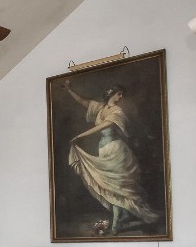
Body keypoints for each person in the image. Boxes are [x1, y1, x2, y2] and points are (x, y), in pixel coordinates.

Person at [62, 80, 159, 234]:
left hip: (116, 150)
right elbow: (83, 102)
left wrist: (80, 135)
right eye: (119, 94)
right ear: (111, 94)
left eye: (122, 95)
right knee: (109, 185)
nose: (121, 97)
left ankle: (116, 223)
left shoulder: (117, 112)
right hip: (103, 150)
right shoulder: (100, 108)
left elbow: (102, 126)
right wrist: (69, 90)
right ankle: (124, 215)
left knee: (116, 186)